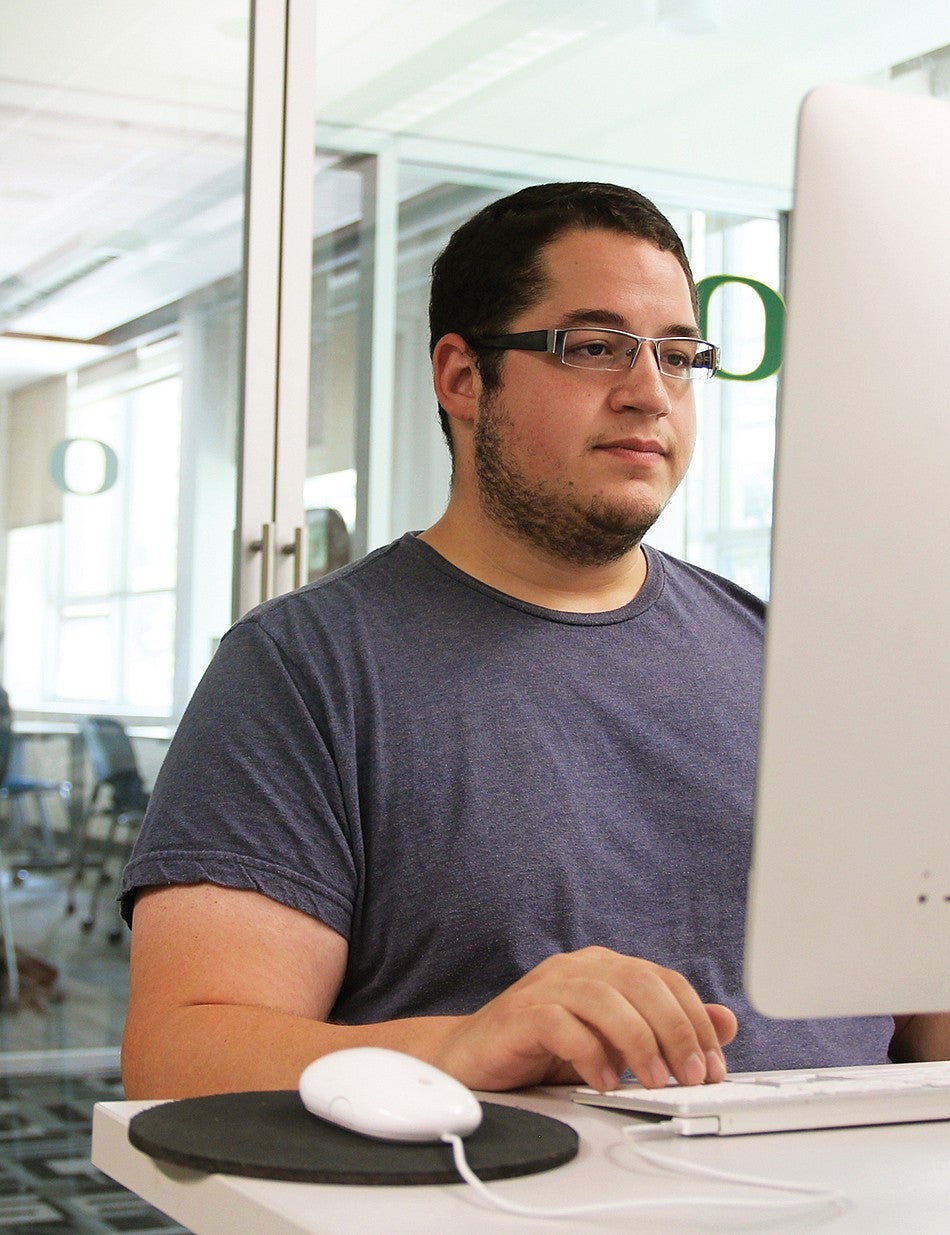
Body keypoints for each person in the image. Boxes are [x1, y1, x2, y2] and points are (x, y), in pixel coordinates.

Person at [120, 181, 948, 1099]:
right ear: (462, 377)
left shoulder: (792, 661)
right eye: (594, 347)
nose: (649, 394)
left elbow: (921, 1007)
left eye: (677, 356)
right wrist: (463, 1045)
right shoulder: (305, 669)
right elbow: (180, 1055)